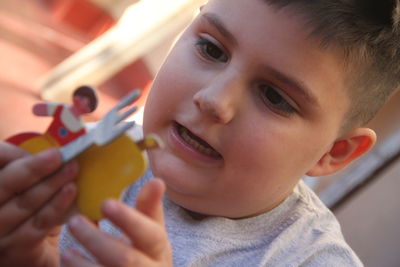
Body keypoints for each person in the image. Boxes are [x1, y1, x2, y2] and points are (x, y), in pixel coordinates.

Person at [0, 0, 399, 266]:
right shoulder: (90, 149)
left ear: (335, 152)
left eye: (275, 97)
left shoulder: (309, 260)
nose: (214, 100)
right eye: (212, 49)